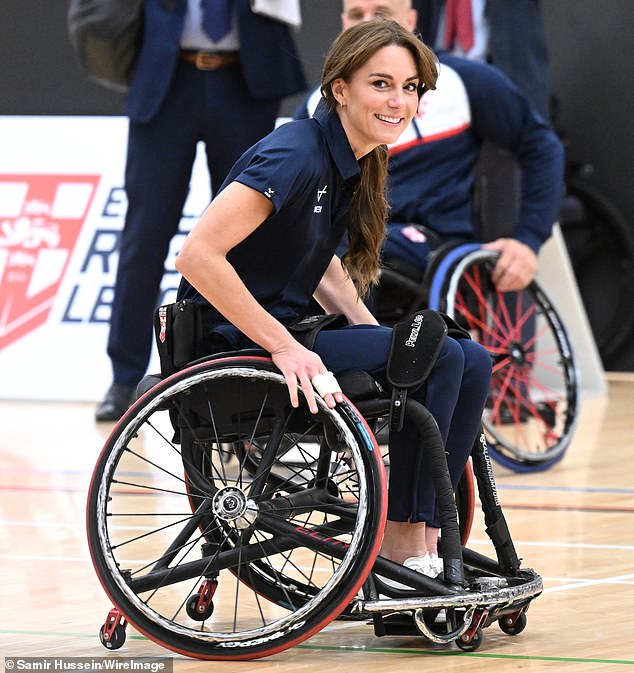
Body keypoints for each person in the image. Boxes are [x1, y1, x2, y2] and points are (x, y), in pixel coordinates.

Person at [175, 19, 492, 576]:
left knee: (469, 355)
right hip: (233, 348)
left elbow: (314, 255)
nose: (400, 100)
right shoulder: (295, 154)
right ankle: (400, 540)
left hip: (292, 331)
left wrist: (374, 334)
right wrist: (282, 347)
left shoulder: (351, 154)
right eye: (382, 84)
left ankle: (425, 535)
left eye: (411, 87)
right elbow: (198, 257)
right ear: (339, 90)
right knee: (442, 354)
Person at [96, 0, 307, 421]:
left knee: (248, 240)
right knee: (145, 234)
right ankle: (124, 378)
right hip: (167, 76)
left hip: (245, 80)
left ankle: (242, 368)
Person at [296, 0, 564, 296]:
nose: (367, 24)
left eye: (382, 14)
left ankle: (359, 335)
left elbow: (541, 145)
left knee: (346, 243)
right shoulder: (319, 105)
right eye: (357, 15)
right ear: (343, 22)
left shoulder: (459, 80)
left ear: (411, 22)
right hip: (357, 242)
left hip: (435, 246)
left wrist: (527, 240)